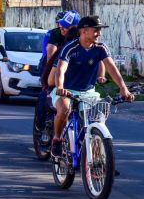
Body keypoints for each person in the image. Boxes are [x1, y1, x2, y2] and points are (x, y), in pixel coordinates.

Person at [51, 16, 135, 158]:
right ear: (84, 31)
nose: (99, 34)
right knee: (64, 109)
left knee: (97, 122)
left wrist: (123, 88)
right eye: (96, 30)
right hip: (67, 91)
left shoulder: (100, 48)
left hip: (89, 93)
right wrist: (60, 87)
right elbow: (60, 70)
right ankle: (57, 140)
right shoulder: (70, 48)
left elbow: (112, 69)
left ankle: (100, 162)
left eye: (99, 30)